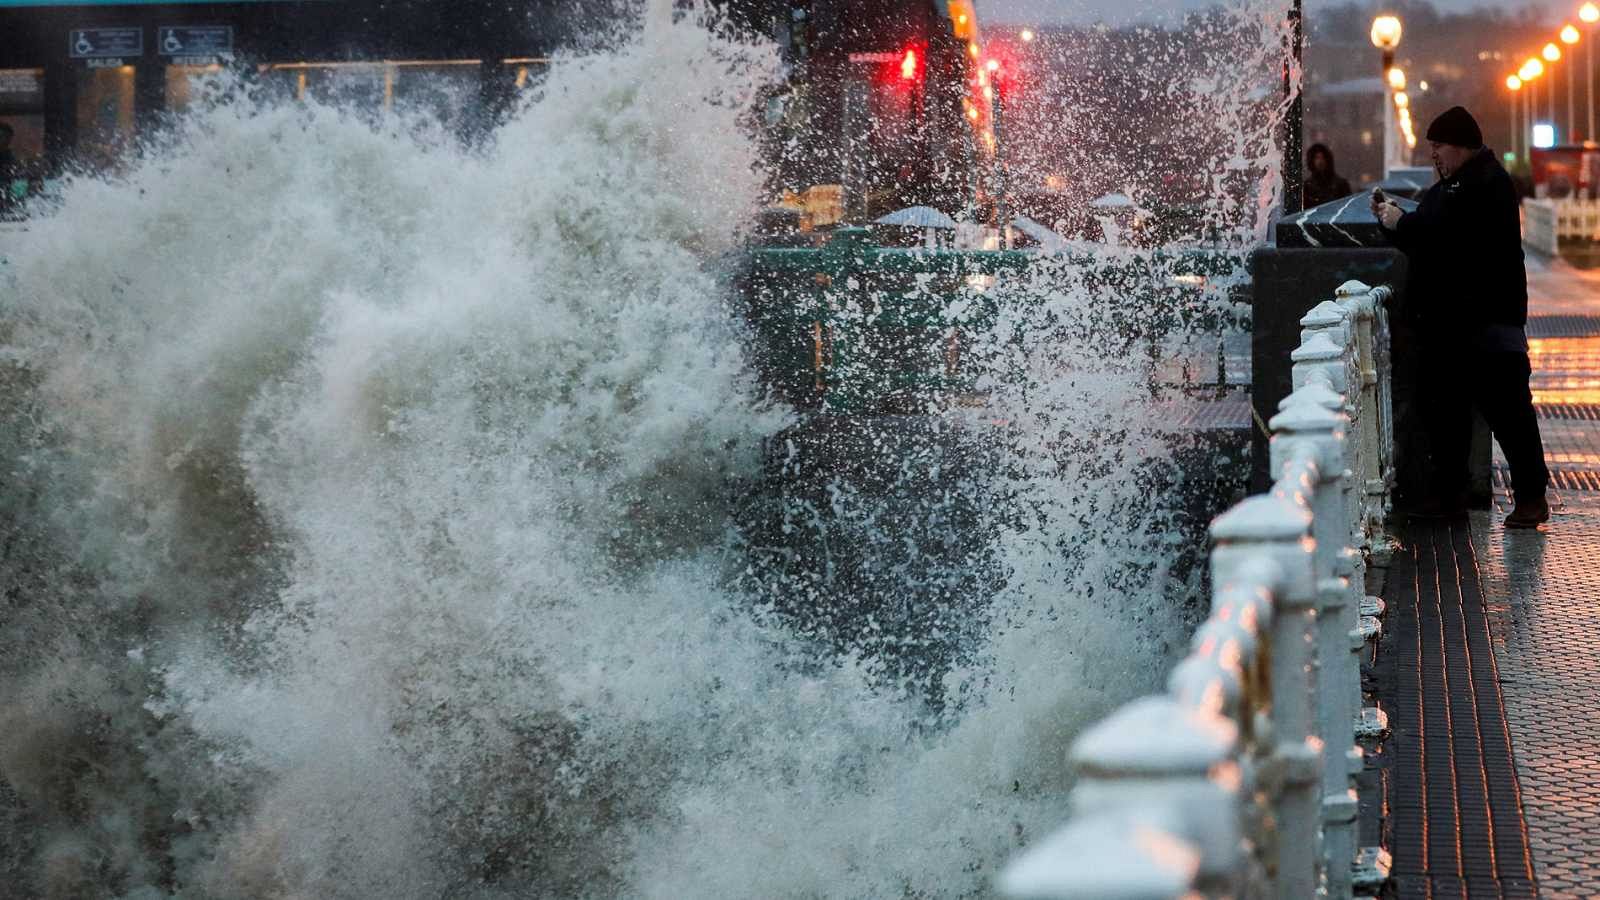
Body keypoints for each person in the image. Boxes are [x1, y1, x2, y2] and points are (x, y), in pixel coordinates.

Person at [1372, 106, 1550, 528]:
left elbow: (1447, 239)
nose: (1434, 154)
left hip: (1486, 324)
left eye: (1439, 146)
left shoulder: (1485, 184)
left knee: (1508, 414)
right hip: (1454, 327)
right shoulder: (1454, 185)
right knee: (1447, 415)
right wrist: (1392, 222)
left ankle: (1530, 499)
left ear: (1463, 146)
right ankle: (1451, 497)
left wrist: (1404, 224)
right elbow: (1427, 234)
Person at [1302, 143, 1353, 209]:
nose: (1320, 161)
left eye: (1323, 157)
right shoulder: (1307, 187)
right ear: (1312, 161)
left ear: (1327, 160)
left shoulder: (1341, 184)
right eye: (1317, 158)